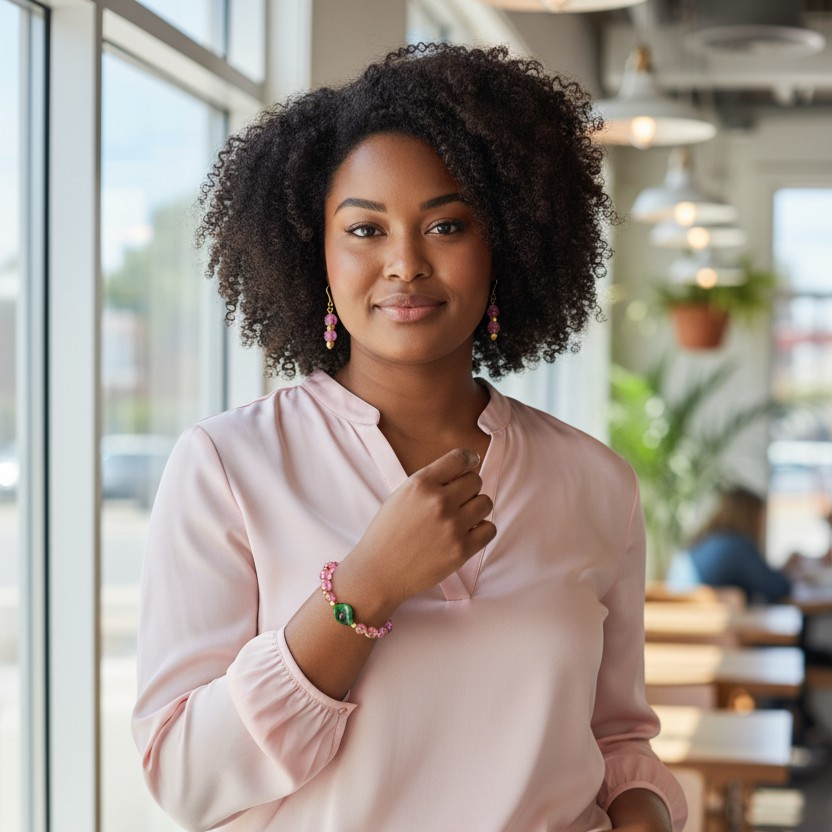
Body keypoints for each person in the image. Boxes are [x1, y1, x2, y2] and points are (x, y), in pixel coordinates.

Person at [132, 43, 686, 832]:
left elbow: (618, 737)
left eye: (447, 224)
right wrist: (362, 589)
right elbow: (185, 776)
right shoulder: (228, 466)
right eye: (364, 230)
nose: (405, 264)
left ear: (508, 244)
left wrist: (645, 811)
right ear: (314, 254)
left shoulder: (594, 482)